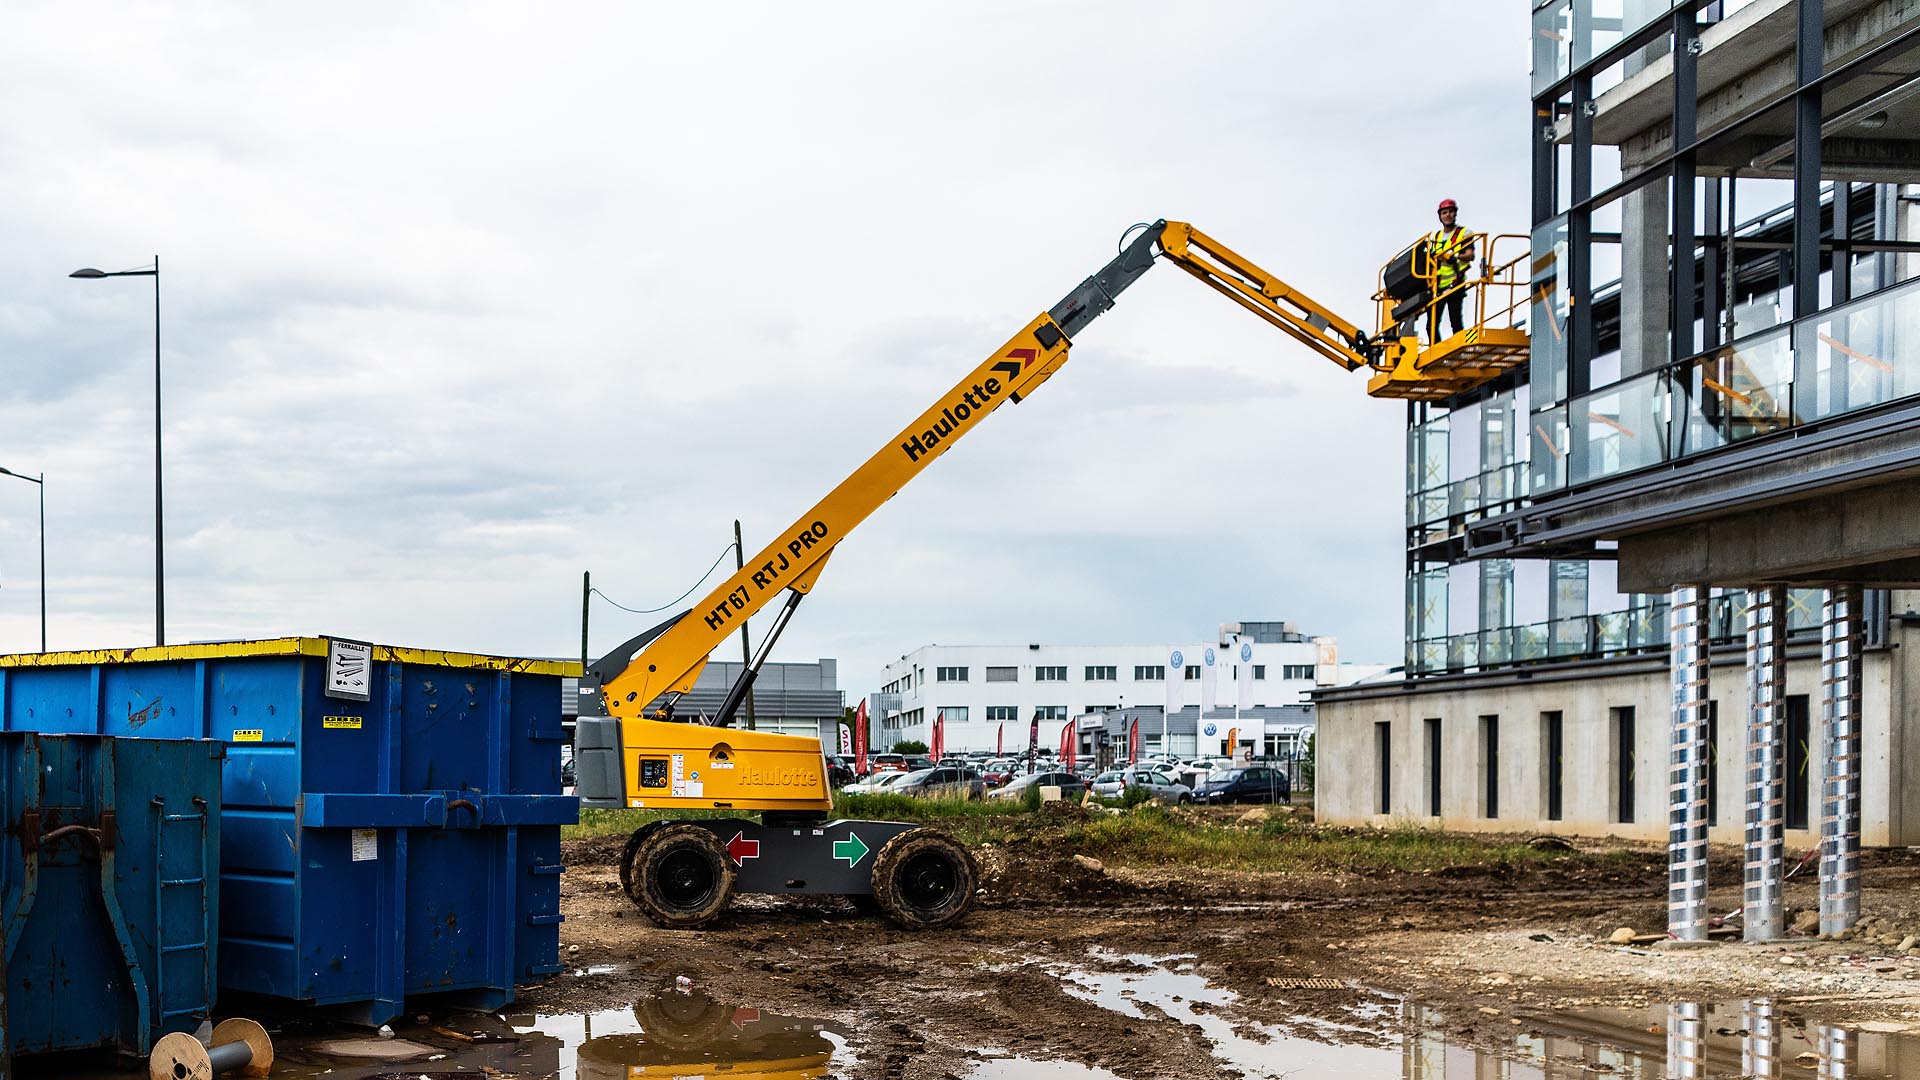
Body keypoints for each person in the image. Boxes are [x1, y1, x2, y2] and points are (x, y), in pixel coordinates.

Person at [1428, 198, 1475, 342]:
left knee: (1455, 321)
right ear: (1440, 216)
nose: (1447, 215)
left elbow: (1470, 255)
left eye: (1450, 212)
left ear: (1455, 214)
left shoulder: (1464, 233)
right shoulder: (1435, 236)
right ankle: (1437, 350)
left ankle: (1459, 347)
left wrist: (1453, 256)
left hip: (1456, 283)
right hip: (1438, 285)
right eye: (1444, 212)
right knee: (1431, 325)